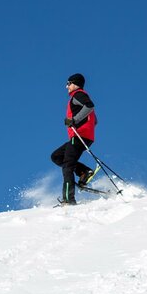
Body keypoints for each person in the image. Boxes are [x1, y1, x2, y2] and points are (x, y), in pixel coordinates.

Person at [50, 73, 97, 205]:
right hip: (82, 136)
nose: (67, 87)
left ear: (75, 83)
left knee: (68, 166)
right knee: (56, 156)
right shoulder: (78, 97)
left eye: (68, 83)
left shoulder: (78, 95)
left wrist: (74, 120)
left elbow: (90, 106)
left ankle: (68, 200)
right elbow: (95, 120)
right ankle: (84, 172)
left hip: (79, 136)